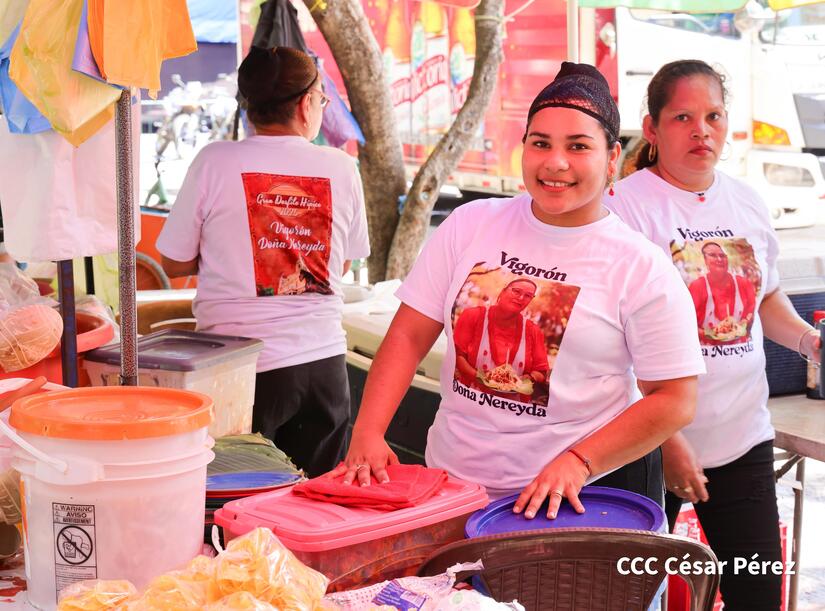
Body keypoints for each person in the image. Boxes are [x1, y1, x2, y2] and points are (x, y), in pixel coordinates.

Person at [331, 62, 706, 520]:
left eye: (578, 146)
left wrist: (578, 462)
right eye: (540, 143)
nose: (555, 162)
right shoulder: (472, 223)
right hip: (451, 487)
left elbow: (675, 398)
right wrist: (369, 431)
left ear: (611, 161)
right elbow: (410, 334)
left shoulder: (639, 266)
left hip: (575, 499)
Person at [609, 59, 822, 610]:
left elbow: (765, 298)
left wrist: (809, 343)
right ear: (652, 129)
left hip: (742, 438)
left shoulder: (746, 201)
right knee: (634, 595)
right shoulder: (626, 210)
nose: (701, 130)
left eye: (713, 116)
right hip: (649, 448)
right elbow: (614, 349)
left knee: (755, 593)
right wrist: (669, 442)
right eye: (682, 117)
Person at [157, 46, 370, 477]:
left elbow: (175, 263)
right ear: (306, 102)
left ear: (248, 105)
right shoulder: (341, 167)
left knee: (239, 507)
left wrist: (225, 255)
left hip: (240, 371)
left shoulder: (215, 161)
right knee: (312, 502)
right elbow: (340, 267)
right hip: (323, 367)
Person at [453, 278, 549, 402]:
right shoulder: (473, 316)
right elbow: (457, 356)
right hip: (471, 397)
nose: (520, 298)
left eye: (528, 296)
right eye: (516, 291)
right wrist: (482, 379)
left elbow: (541, 371)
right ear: (503, 291)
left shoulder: (533, 331)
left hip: (513, 405)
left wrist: (529, 377)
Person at [688, 241, 756, 344]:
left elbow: (752, 314)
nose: (719, 259)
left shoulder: (744, 284)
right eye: (713, 255)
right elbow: (687, 324)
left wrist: (744, 323)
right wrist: (712, 334)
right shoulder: (697, 287)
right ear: (705, 260)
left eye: (722, 256)